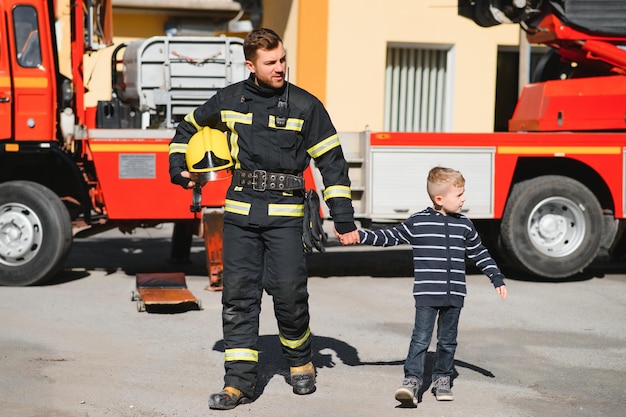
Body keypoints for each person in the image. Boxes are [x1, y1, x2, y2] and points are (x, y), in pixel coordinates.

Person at [168, 28, 360, 410]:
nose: (280, 68)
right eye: (271, 62)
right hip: (239, 214)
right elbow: (187, 127)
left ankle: (300, 360)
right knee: (238, 298)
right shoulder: (230, 99)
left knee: (289, 294)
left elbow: (333, 165)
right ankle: (238, 382)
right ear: (250, 65)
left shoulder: (307, 106)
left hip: (287, 216)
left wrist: (343, 219)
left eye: (283, 59)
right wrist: (178, 167)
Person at [342, 166, 507, 407]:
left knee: (448, 341)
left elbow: (479, 253)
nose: (464, 199)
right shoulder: (418, 222)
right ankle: (412, 381)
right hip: (427, 295)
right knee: (420, 339)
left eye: (463, 194)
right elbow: (389, 236)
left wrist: (496, 277)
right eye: (459, 195)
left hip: (455, 295)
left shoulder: (465, 225)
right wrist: (360, 235)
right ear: (439, 199)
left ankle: (442, 379)